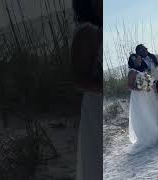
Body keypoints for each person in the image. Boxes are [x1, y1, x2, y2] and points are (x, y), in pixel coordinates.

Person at [71, 0, 101, 179]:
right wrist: (104, 87)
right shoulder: (86, 32)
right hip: (96, 104)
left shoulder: (96, 29)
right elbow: (78, 80)